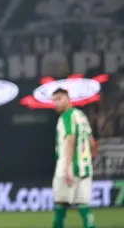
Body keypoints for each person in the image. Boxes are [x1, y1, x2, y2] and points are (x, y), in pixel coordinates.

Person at [51, 88, 98, 228]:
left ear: (67, 98)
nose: (55, 103)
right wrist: (88, 160)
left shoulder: (66, 116)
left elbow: (70, 139)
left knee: (60, 204)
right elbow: (92, 143)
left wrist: (66, 169)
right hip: (85, 169)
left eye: (59, 99)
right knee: (84, 205)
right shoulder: (81, 116)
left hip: (68, 168)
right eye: (54, 100)